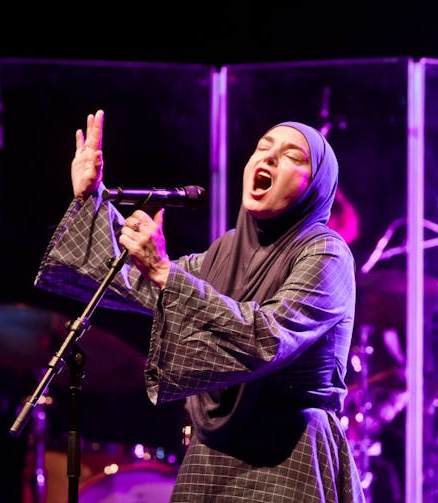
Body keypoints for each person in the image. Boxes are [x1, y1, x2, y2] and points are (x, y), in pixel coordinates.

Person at [34, 109, 366, 502]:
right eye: (262, 148)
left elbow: (269, 337)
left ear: (317, 186)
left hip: (288, 454)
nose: (269, 158)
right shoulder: (223, 254)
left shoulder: (326, 253)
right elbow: (134, 280)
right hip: (211, 460)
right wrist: (90, 197)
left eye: (293, 156)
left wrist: (164, 272)